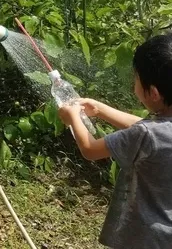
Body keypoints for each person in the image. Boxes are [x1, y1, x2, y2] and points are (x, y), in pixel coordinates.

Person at [58, 34, 172, 249]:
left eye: (136, 79)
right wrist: (100, 110)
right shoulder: (158, 130)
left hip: (143, 238)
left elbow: (90, 149)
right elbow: (143, 125)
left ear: (154, 93)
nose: (134, 84)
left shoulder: (146, 134)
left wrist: (73, 117)